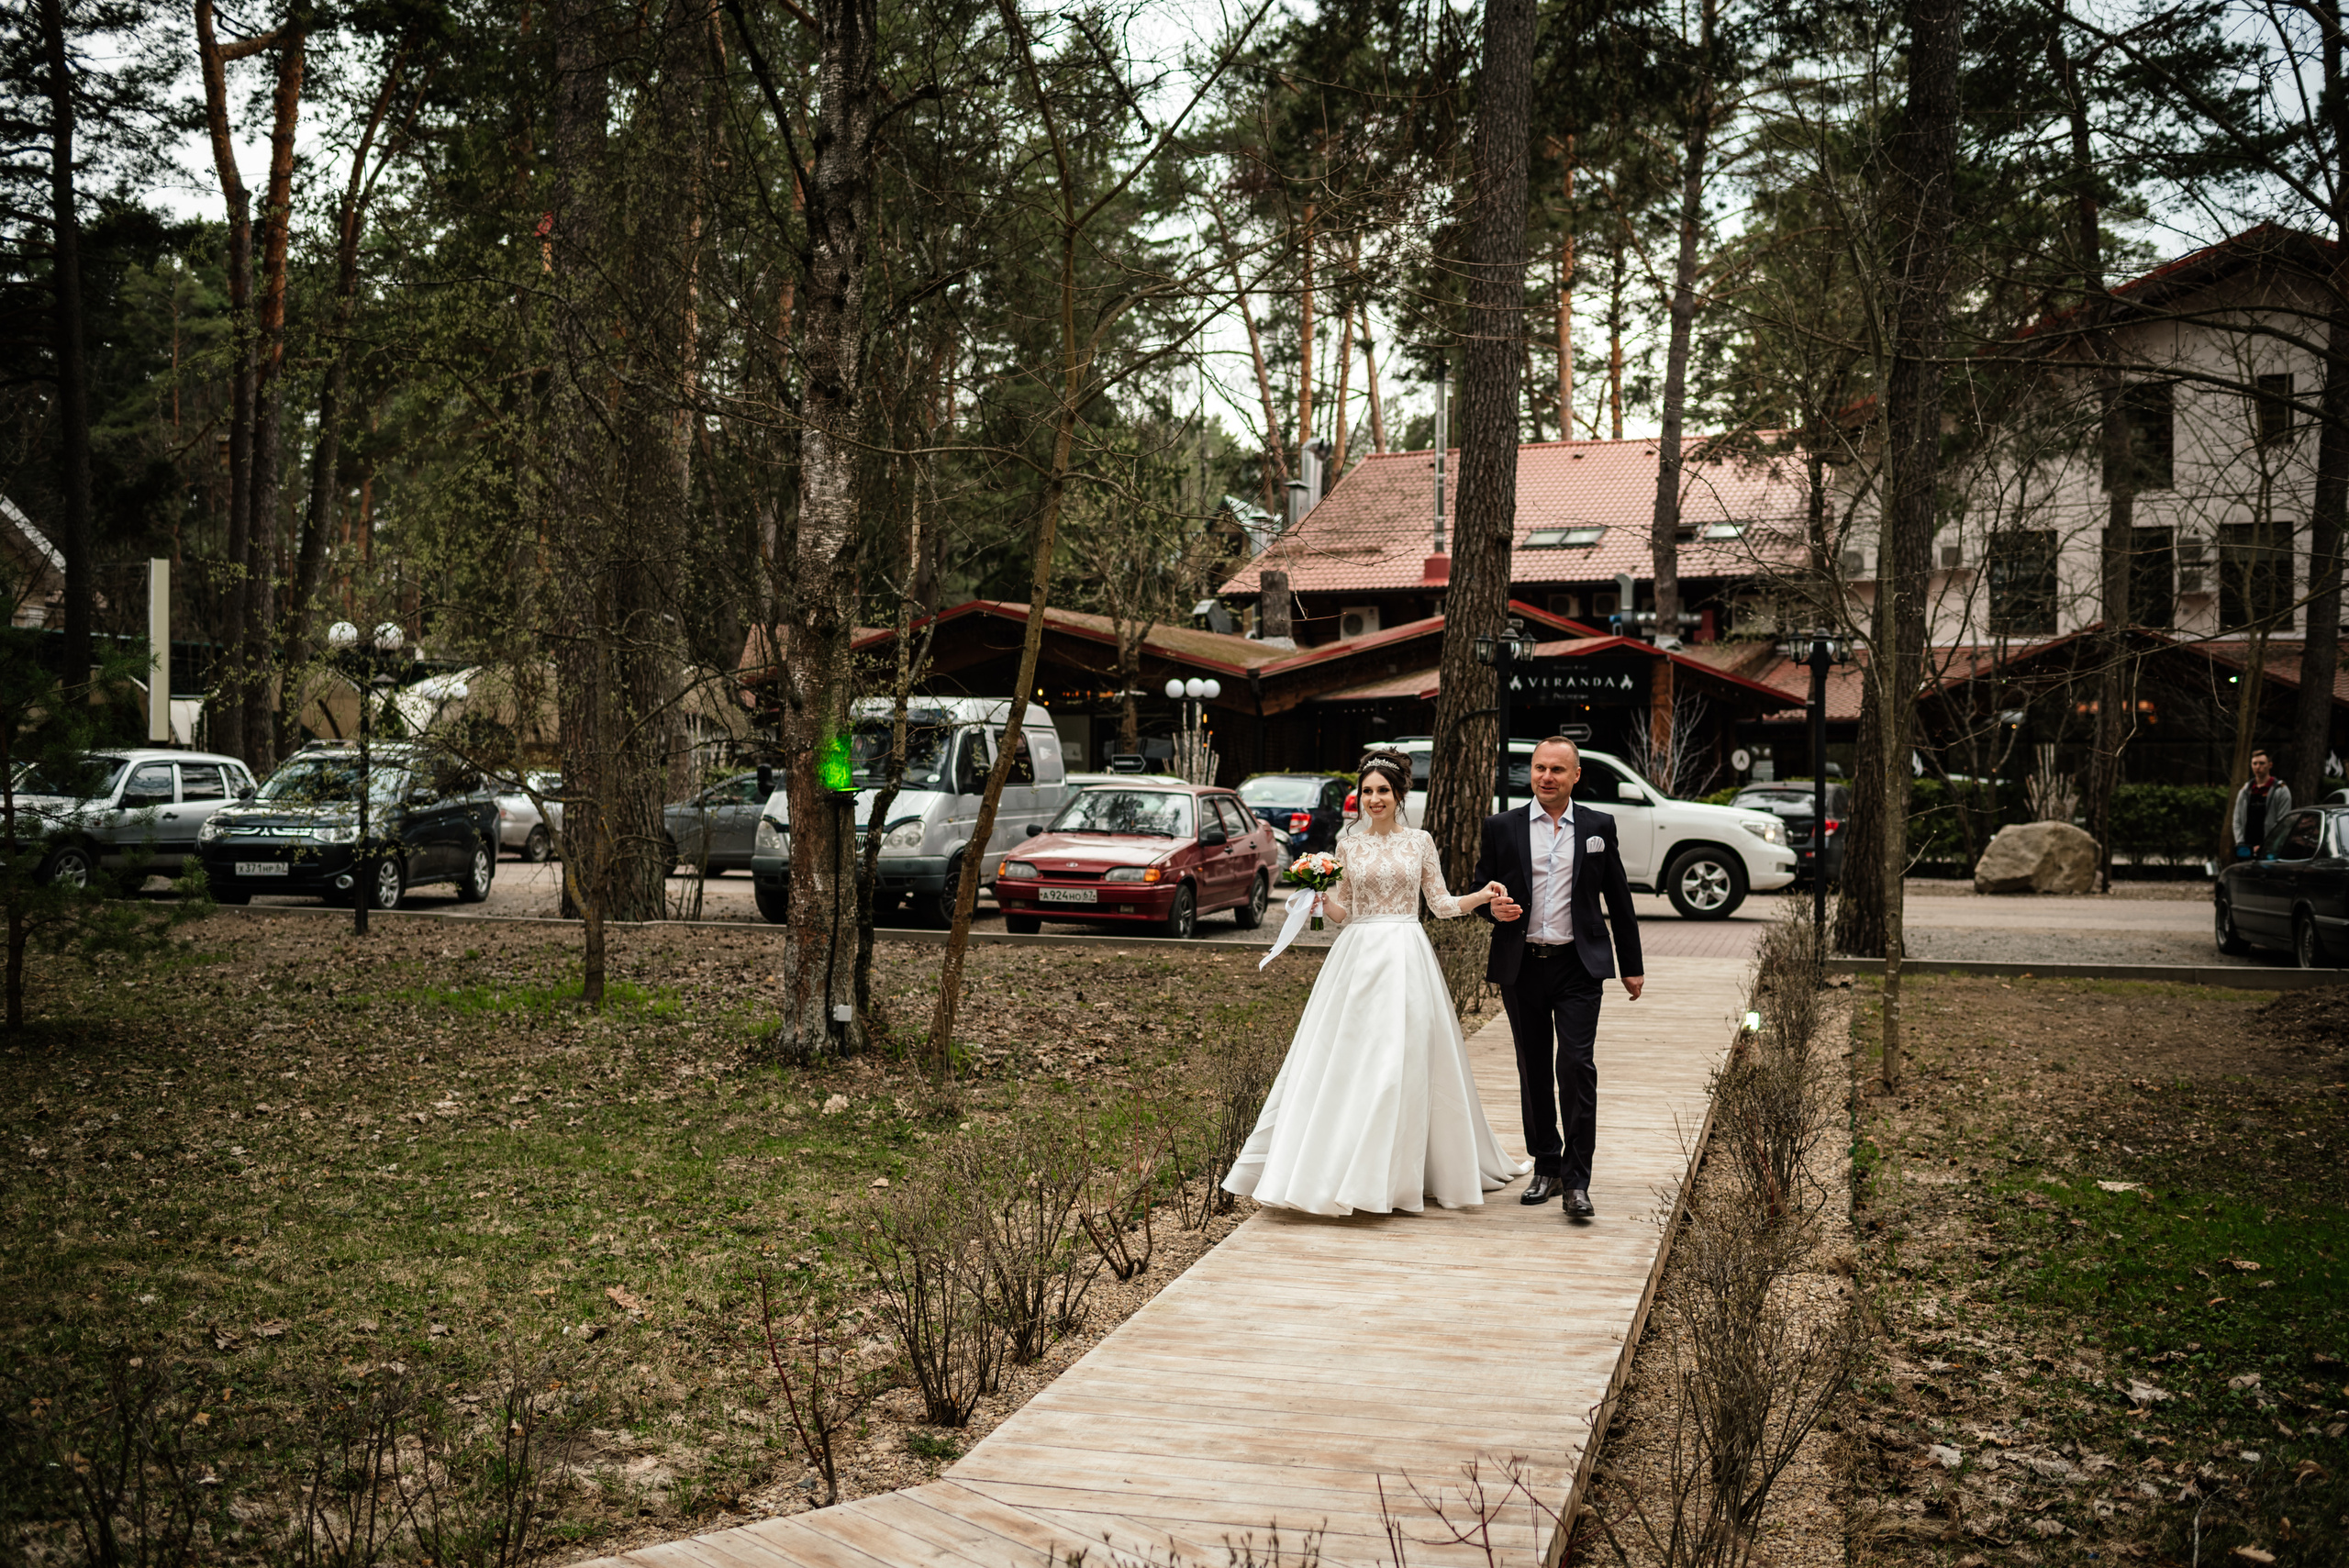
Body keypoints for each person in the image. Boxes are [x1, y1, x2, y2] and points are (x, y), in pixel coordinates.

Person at [1222, 749, 1530, 1217]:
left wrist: (1482, 896)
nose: (1374, 799)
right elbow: (1347, 913)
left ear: (1399, 793)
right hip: (1358, 957)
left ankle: (1397, 1174)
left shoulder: (1420, 842)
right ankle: (1339, 1168)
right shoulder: (1348, 846)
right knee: (1351, 1058)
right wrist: (1319, 900)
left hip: (1407, 953)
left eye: (1383, 790)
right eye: (1366, 791)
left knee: (1401, 1058)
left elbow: (1441, 905)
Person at [1470, 736, 1643, 1223]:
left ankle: (1577, 1180)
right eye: (1540, 768)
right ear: (1532, 772)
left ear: (1576, 776)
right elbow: (1485, 890)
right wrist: (1494, 909)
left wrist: (1631, 964)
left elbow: (1619, 899)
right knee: (1533, 1068)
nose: (1547, 777)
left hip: (1578, 966)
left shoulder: (1597, 826)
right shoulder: (1501, 827)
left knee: (1575, 1064)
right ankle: (1545, 1165)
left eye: (1557, 770)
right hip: (1521, 965)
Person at [2232, 749, 2292, 859]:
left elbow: (2283, 822)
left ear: (2270, 765)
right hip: (2246, 849)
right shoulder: (2245, 790)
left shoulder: (2281, 790)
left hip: (2270, 850)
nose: (2258, 767)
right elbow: (2237, 820)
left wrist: (2267, 844)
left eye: (2262, 763)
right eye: (2255, 763)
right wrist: (2241, 843)